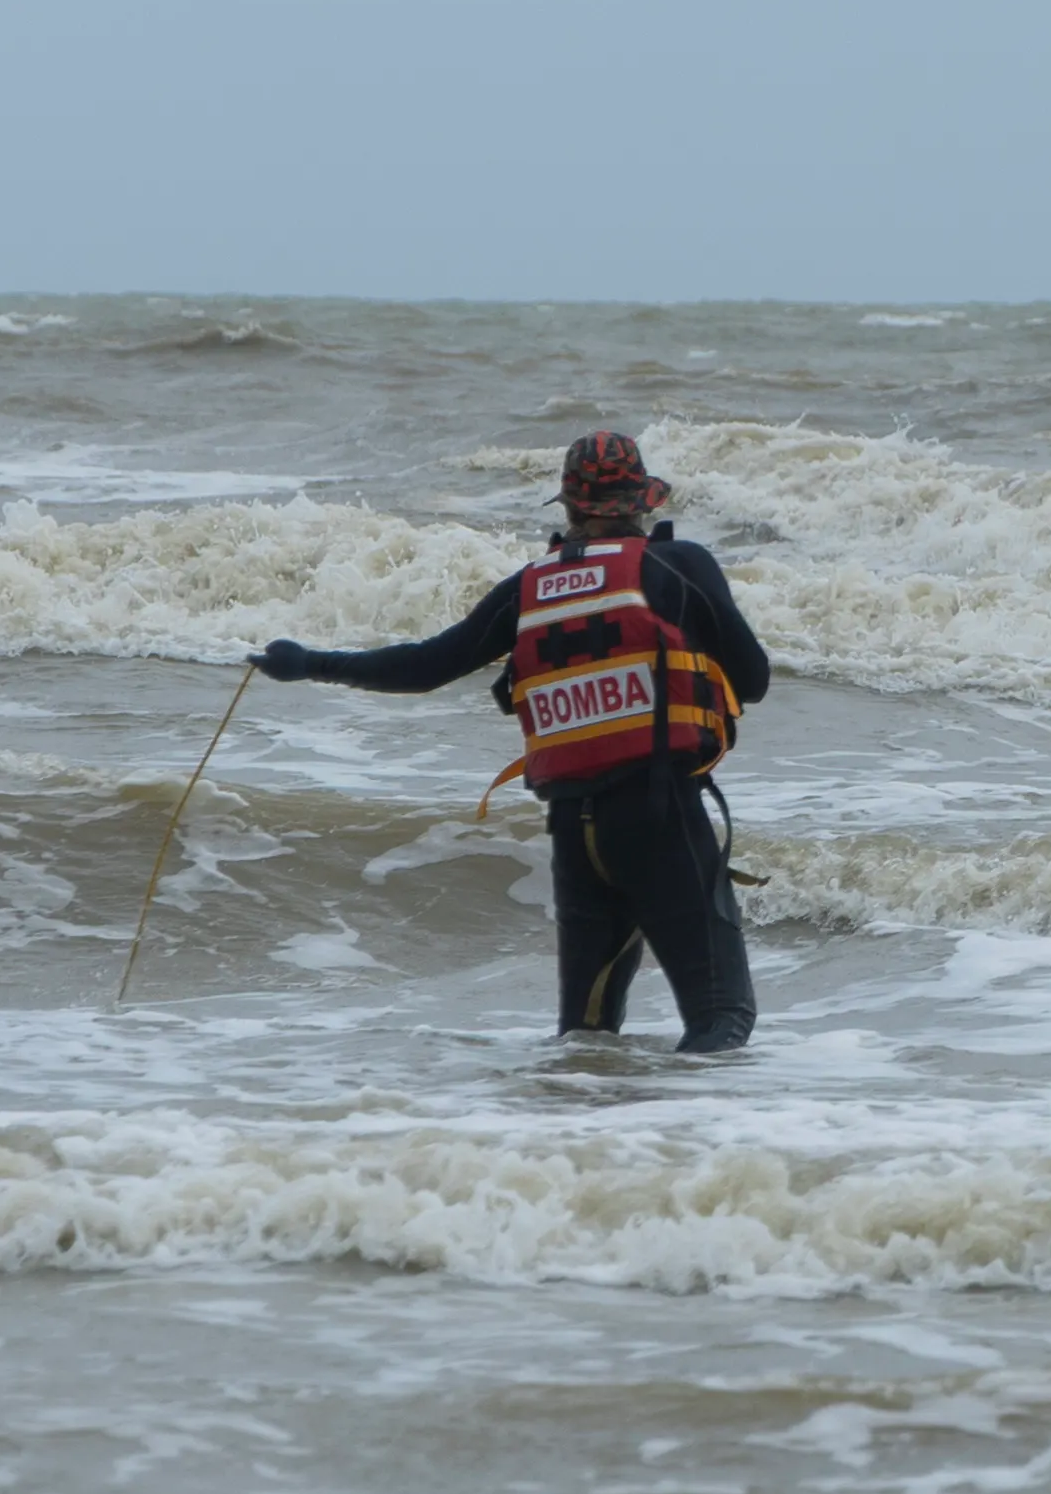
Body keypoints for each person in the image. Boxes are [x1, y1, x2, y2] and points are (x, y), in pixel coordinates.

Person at [252, 432, 774, 1051]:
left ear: (570, 510)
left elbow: (425, 666)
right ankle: (699, 1145)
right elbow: (755, 680)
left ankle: (570, 1140)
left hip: (575, 829)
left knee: (586, 1034)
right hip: (661, 817)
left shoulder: (530, 587)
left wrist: (309, 662)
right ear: (641, 503)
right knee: (721, 1018)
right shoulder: (678, 565)